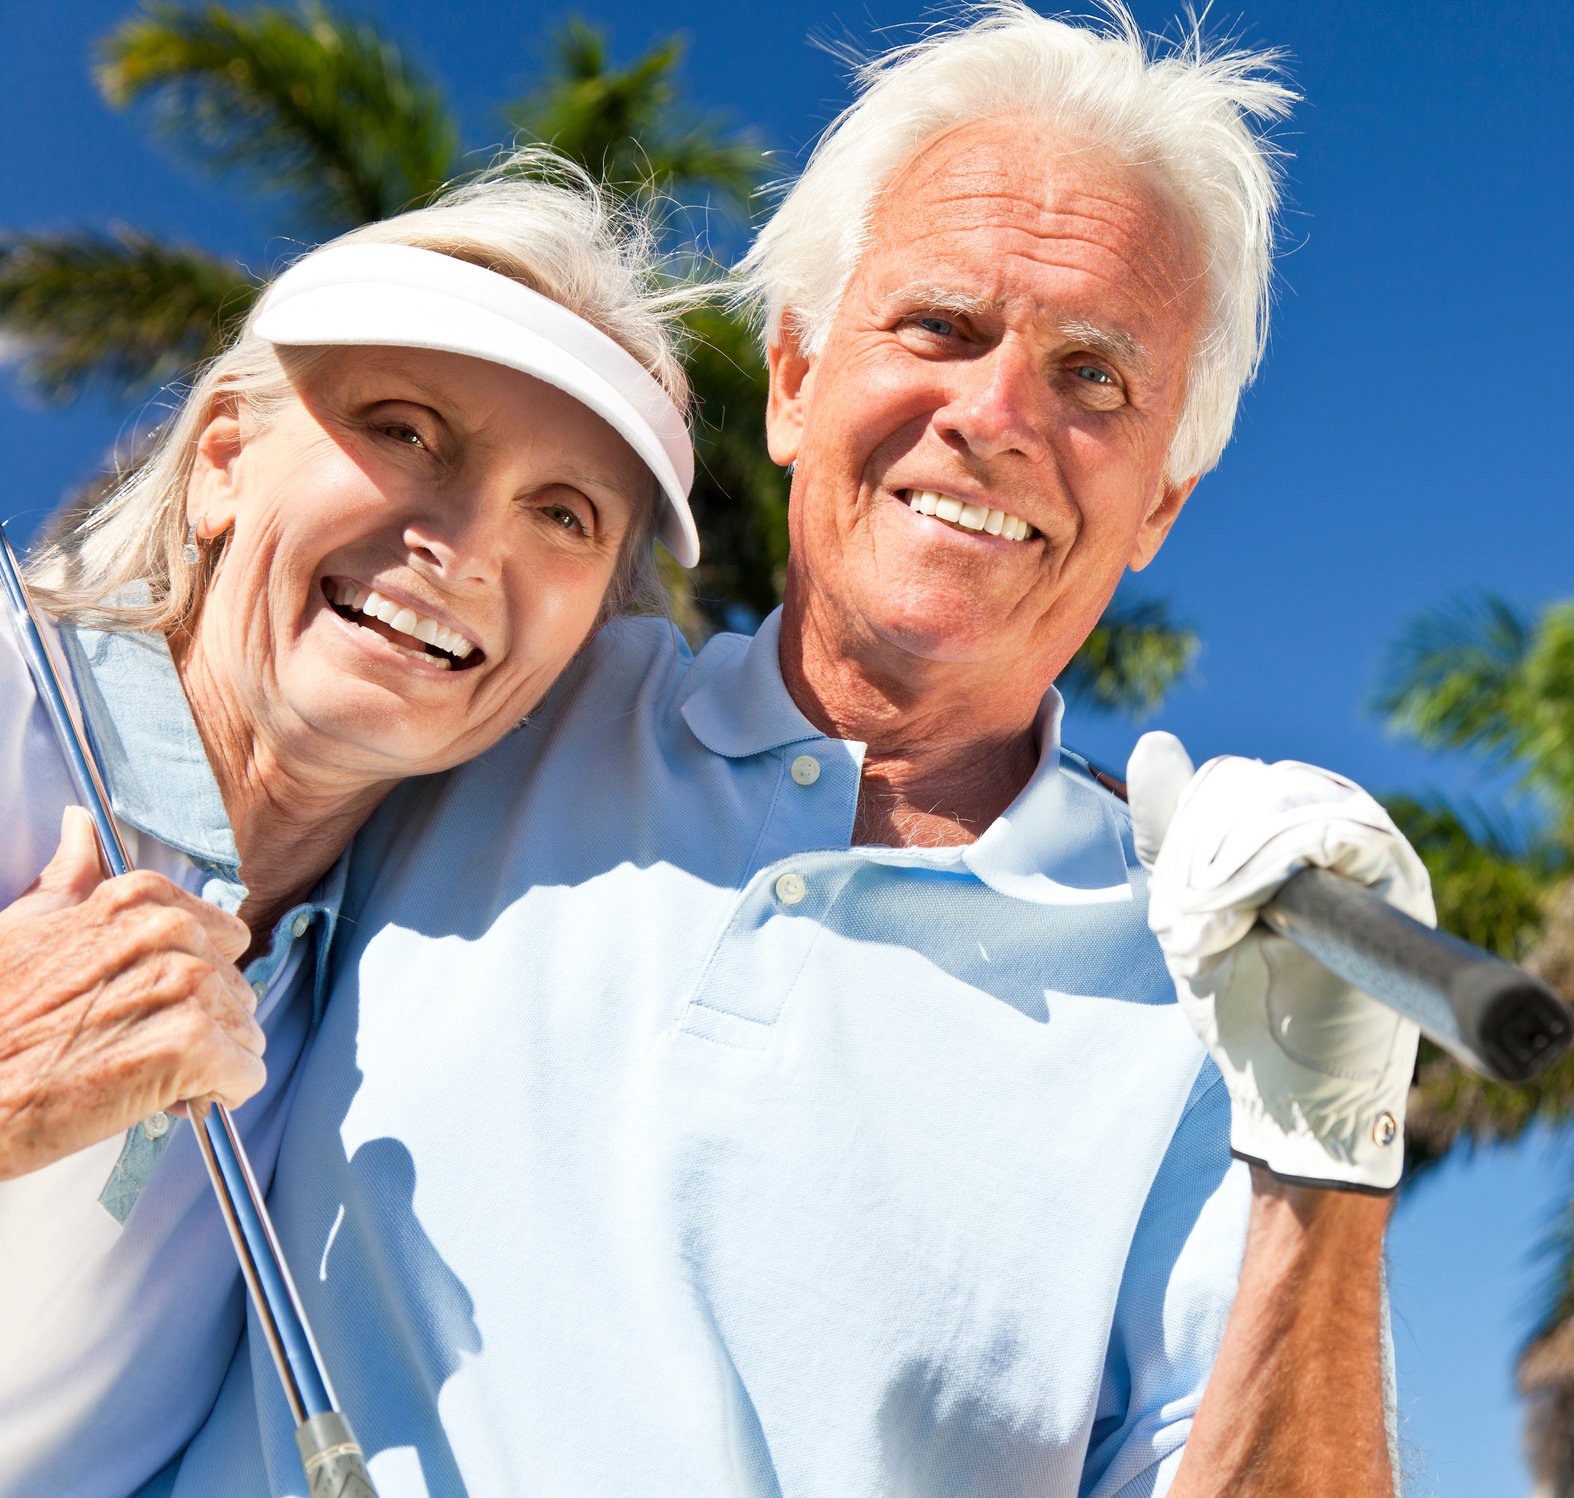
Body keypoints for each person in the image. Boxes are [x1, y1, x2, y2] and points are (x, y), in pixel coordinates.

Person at [175, 8, 1425, 1495]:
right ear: (787, 384)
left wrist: (1324, 1164)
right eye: (939, 326)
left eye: (1096, 377)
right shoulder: (500, 695)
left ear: (1162, 500)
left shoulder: (1216, 995)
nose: (998, 416)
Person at [0, 163, 702, 1496]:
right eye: (405, 427)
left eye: (566, 513)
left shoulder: (402, 992)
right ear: (221, 462)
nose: (463, 540)